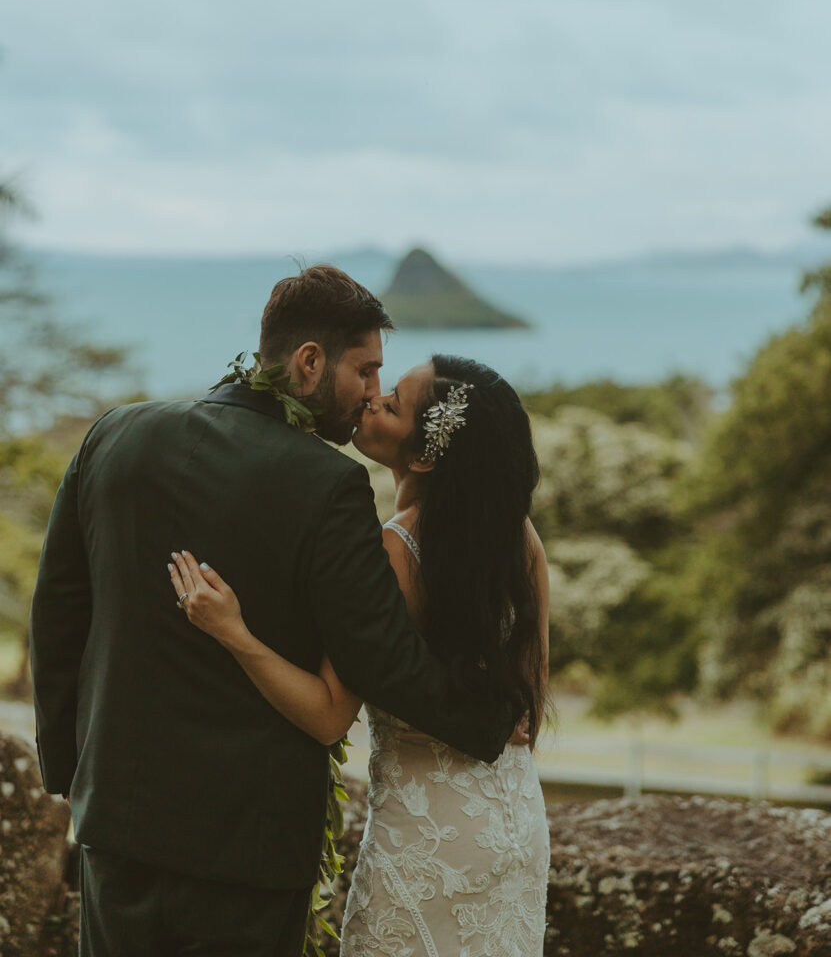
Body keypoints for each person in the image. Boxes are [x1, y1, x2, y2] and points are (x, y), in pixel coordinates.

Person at [29, 267, 520, 957]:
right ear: (309, 361)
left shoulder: (114, 435)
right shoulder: (329, 484)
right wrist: (492, 718)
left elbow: (57, 617)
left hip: (120, 823)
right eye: (365, 370)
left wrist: (69, 774)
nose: (373, 394)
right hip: (248, 848)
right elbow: (380, 658)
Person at [168, 354, 551, 956]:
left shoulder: (395, 552)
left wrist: (233, 631)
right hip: (514, 817)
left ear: (424, 456)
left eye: (392, 404)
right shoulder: (519, 538)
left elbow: (326, 715)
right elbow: (528, 700)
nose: (371, 400)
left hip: (426, 839)